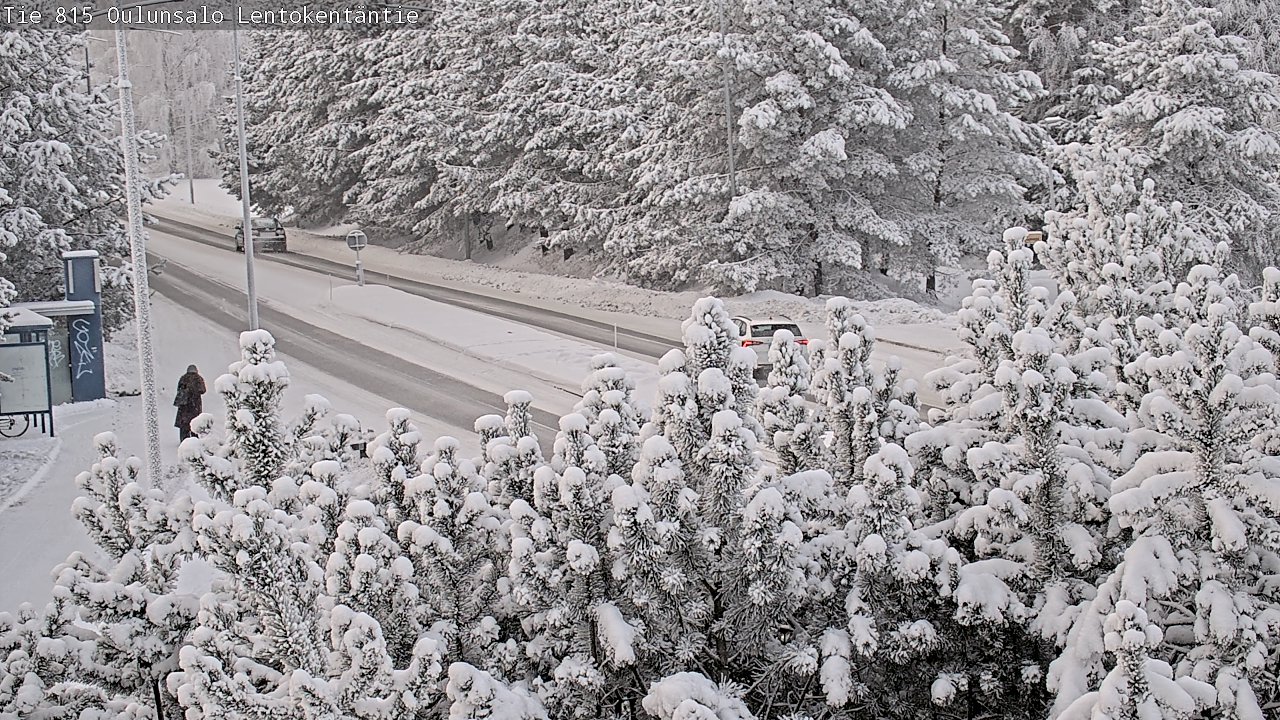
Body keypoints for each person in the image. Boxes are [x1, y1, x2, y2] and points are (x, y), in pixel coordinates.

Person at [174, 364, 206, 442]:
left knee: (184, 425)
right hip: (195, 405)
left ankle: (184, 442)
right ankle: (194, 441)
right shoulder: (198, 378)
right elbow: (203, 390)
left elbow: (178, 389)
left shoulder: (183, 378)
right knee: (194, 424)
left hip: (184, 406)